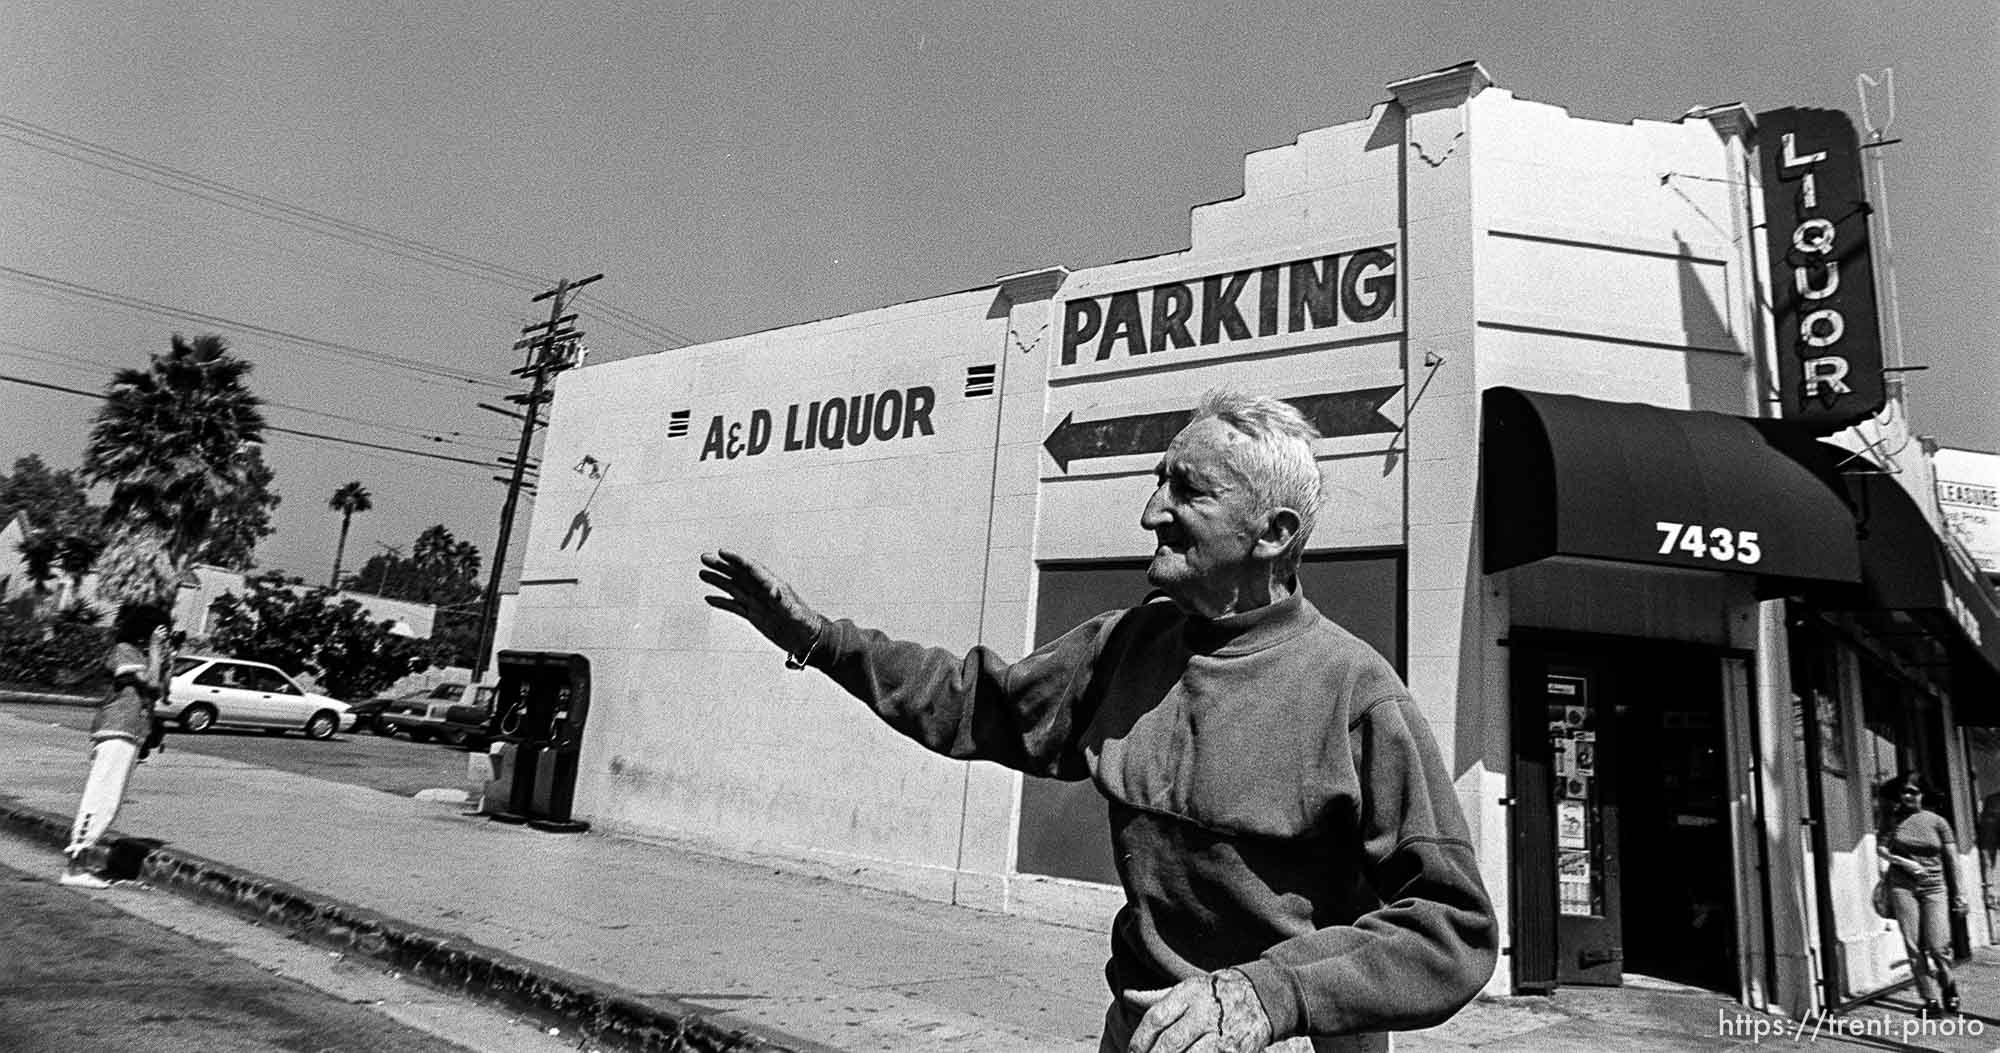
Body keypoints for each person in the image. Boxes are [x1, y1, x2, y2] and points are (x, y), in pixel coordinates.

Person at [700, 389, 1496, 1052]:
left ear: (1274, 532)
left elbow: (1452, 929)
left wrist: (1271, 995)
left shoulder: (1358, 694)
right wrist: (820, 640)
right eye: (1158, 483)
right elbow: (973, 702)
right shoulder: (1127, 646)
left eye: (1188, 490)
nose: (1153, 511)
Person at [60, 603, 172, 889]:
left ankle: (81, 862)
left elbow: (160, 689)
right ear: (146, 629)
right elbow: (146, 680)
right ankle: (74, 866)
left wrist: (165, 656)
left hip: (132, 732)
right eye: (159, 629)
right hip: (116, 728)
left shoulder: (145, 655)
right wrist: (156, 649)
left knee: (110, 801)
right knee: (99, 796)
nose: (163, 633)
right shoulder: (124, 650)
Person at [1877, 772, 1968, 1016]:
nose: (1907, 796)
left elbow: (1953, 859)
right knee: (1913, 945)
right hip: (1902, 887)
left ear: (1922, 795)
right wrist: (1906, 864)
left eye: (1913, 792)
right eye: (1904, 792)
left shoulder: (1938, 822)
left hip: (1935, 887)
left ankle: (1948, 986)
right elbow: (1882, 850)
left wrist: (1960, 894)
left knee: (1939, 946)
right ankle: (1930, 1000)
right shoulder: (1893, 820)